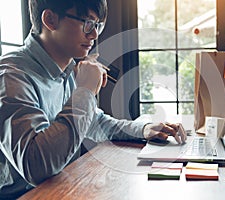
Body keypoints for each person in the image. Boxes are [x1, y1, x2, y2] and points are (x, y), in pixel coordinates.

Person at [0, 0, 187, 199]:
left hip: (62, 188)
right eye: (87, 23)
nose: (95, 34)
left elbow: (96, 122)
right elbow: (37, 167)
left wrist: (143, 129)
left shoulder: (67, 70)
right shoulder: (11, 76)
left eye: (98, 25)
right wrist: (86, 90)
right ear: (50, 20)